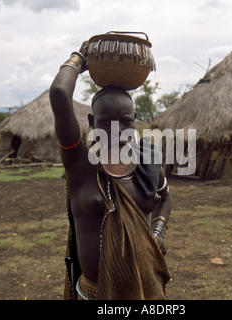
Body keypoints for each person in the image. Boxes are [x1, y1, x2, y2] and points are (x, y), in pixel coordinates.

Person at [49, 41, 171, 300]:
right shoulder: (80, 164)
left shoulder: (147, 160)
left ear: (135, 121)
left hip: (147, 290)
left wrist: (158, 231)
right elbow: (60, 94)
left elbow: (166, 198)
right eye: (106, 123)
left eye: (126, 122)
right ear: (92, 122)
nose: (117, 131)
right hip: (95, 294)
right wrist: (79, 58)